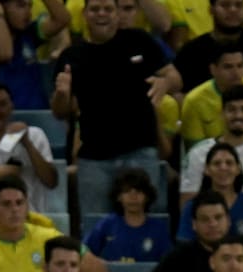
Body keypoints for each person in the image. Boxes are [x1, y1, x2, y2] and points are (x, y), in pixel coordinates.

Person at [52, 0, 181, 212]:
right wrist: (61, 94)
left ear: (117, 13)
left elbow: (176, 78)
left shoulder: (139, 40)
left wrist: (165, 82)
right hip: (94, 157)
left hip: (140, 151)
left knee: (148, 221)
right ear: (84, 14)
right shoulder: (71, 56)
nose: (101, 14)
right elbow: (59, 111)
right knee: (96, 226)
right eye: (95, 9)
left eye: (108, 9)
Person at [0, 0, 70, 114]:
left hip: (39, 118)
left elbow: (62, 19)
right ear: (2, 8)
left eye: (30, 6)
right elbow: (4, 53)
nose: (28, 12)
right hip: (3, 120)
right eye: (21, 5)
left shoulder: (30, 34)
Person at [177, 144, 243, 247]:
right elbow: (184, 248)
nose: (223, 167)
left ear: (238, 169)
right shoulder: (192, 207)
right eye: (217, 163)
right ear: (207, 170)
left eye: (229, 163)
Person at [179, 46, 243, 147]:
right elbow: (195, 150)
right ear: (213, 69)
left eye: (240, 66)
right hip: (215, 160)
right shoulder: (194, 100)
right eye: (228, 67)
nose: (236, 73)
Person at [84, 168, 173, 264]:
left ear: (147, 196)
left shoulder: (159, 229)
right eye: (127, 191)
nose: (133, 196)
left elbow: (169, 264)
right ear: (119, 196)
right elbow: (83, 251)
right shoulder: (106, 225)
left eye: (138, 191)